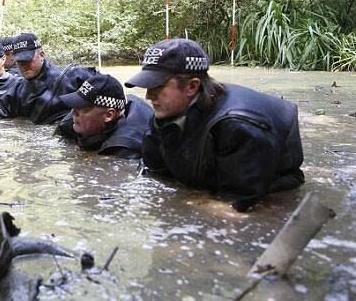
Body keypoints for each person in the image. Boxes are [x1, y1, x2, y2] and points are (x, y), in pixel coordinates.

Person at [125, 38, 304, 212]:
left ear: (192, 87)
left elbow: (236, 205)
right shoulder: (164, 114)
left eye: (157, 86)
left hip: (270, 194)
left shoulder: (238, 125)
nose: (149, 96)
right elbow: (155, 175)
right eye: (147, 87)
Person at [0, 33, 95, 124]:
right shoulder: (17, 91)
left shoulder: (73, 75)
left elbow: (105, 93)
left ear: (42, 55)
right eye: (20, 62)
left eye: (27, 60)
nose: (24, 65)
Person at [55, 73, 153, 159]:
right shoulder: (70, 123)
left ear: (108, 115)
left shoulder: (126, 147)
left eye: (84, 109)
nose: (73, 113)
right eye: (74, 104)